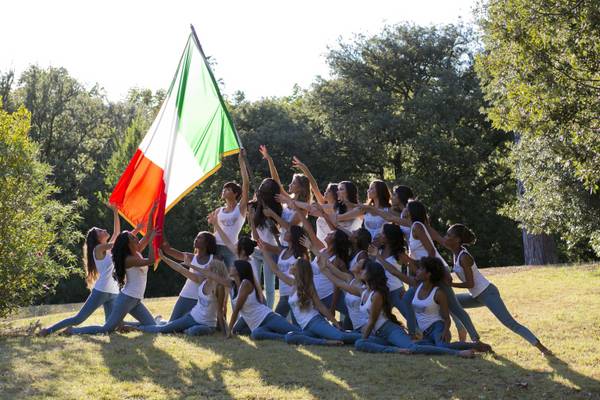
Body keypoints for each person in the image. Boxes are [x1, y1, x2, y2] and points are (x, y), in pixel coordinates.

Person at [445, 224, 552, 355]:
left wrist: (451, 285)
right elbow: (436, 238)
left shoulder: (464, 257)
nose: (446, 237)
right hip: (476, 295)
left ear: (457, 239)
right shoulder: (455, 252)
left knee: (510, 323)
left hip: (487, 293)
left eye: (449, 235)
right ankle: (474, 339)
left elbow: (470, 283)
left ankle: (542, 348)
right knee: (450, 302)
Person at [40, 204, 135, 335]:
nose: (103, 230)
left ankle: (73, 331)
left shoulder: (108, 249)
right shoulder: (98, 249)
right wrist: (133, 233)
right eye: (100, 231)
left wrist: (115, 212)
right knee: (78, 318)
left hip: (113, 292)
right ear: (97, 239)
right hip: (101, 291)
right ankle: (48, 330)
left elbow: (117, 234)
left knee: (110, 328)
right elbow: (120, 242)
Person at [66, 203, 159, 335]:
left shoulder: (136, 251)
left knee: (151, 326)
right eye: (133, 237)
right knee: (107, 329)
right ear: (128, 244)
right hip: (127, 298)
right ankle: (74, 330)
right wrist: (151, 242)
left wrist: (152, 212)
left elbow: (149, 233)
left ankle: (127, 326)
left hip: (136, 299)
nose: (136, 237)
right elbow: (150, 260)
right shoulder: (129, 259)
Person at [353, 261, 474, 357]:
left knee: (414, 348)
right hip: (380, 334)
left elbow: (372, 321)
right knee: (359, 343)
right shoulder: (364, 291)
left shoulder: (377, 294)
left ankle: (458, 352)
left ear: (371, 274)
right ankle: (397, 349)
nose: (360, 271)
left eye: (364, 269)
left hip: (389, 330)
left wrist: (365, 339)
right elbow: (344, 279)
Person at [264, 254, 360, 346]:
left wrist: (335, 323)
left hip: (315, 322)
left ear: (298, 270)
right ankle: (326, 342)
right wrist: (264, 251)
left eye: (293, 264)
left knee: (341, 336)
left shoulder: (307, 286)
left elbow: (321, 306)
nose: (290, 265)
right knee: (290, 337)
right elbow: (275, 270)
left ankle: (369, 338)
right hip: (305, 328)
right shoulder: (293, 284)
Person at [200, 259, 300, 341]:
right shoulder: (233, 285)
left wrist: (228, 332)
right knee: (255, 334)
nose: (230, 268)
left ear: (239, 270)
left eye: (233, 266)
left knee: (299, 332)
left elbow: (237, 310)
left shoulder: (245, 283)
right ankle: (285, 338)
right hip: (257, 326)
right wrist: (190, 266)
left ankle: (305, 336)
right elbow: (214, 276)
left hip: (268, 317)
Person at [134, 254, 228, 335]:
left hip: (207, 325)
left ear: (214, 271)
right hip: (192, 317)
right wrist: (164, 258)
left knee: (193, 331)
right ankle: (135, 328)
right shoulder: (202, 280)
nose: (204, 268)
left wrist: (225, 333)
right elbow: (180, 269)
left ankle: (166, 324)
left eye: (208, 267)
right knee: (164, 329)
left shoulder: (219, 288)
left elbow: (220, 311)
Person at [412, 257, 488, 352]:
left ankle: (474, 346)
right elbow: (400, 272)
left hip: (437, 328)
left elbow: (446, 317)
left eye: (421, 269)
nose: (417, 271)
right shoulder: (417, 287)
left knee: (442, 347)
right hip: (424, 332)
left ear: (428, 274)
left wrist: (445, 331)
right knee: (414, 346)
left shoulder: (439, 293)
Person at [369, 224, 417, 337]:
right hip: (382, 293)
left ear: (388, 237)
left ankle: (416, 337)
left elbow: (415, 270)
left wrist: (410, 287)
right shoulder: (378, 251)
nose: (379, 235)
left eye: (382, 233)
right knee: (380, 321)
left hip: (397, 292)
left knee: (412, 319)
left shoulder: (399, 254)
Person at [160, 231, 218, 321]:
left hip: (201, 300)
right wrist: (160, 229)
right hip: (186, 295)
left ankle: (158, 322)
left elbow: (203, 280)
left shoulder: (214, 260)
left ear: (207, 243)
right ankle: (159, 321)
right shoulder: (190, 257)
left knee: (184, 327)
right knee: (172, 324)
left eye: (200, 238)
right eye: (196, 237)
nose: (196, 239)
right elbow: (167, 250)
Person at [247, 177, 282, 309]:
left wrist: (271, 216)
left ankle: (269, 311)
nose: (262, 186)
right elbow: (254, 234)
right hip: (255, 250)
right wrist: (251, 217)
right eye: (262, 184)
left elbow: (278, 232)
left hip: (270, 251)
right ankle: (257, 310)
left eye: (266, 185)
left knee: (269, 286)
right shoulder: (253, 206)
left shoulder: (277, 209)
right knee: (255, 283)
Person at [212, 150, 250, 267]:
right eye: (224, 189)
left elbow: (246, 184)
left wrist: (241, 161)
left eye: (228, 189)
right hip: (216, 247)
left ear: (235, 194)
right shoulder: (218, 211)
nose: (224, 191)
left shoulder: (241, 208)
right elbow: (215, 231)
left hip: (231, 248)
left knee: (231, 279)